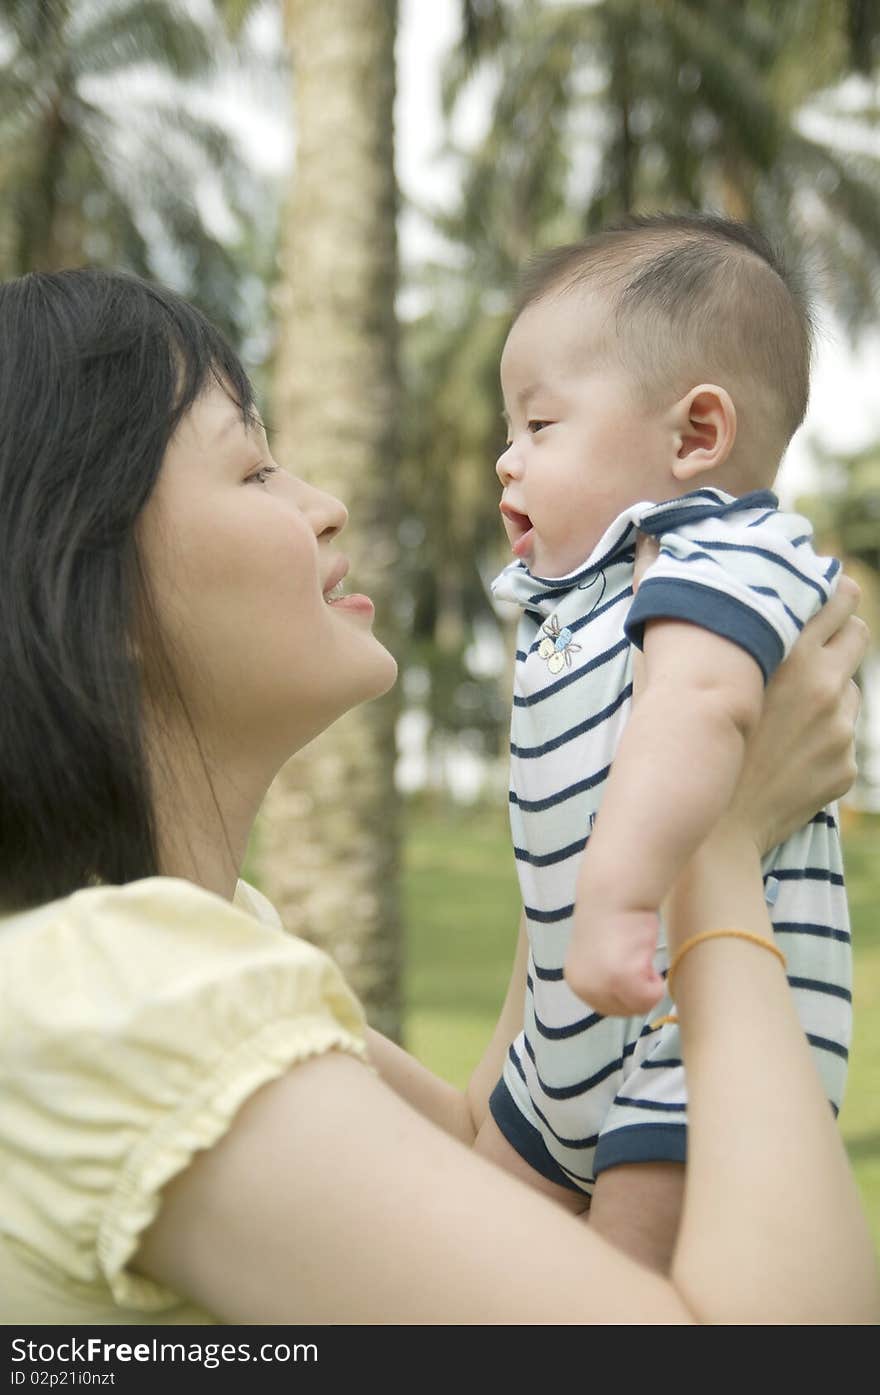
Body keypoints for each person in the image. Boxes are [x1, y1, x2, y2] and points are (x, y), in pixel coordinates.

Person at [0, 267, 876, 1326]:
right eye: (255, 471)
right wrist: (719, 854)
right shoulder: (126, 1000)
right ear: (84, 578)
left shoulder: (191, 944)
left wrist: (594, 788)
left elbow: (482, 1157)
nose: (325, 507)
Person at [481, 214, 854, 1269]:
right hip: (566, 1036)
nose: (505, 460)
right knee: (472, 1246)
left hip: (693, 1024)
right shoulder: (583, 597)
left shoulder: (722, 552)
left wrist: (617, 902)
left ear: (695, 435)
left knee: (623, 1289)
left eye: (539, 426)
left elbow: (698, 705)